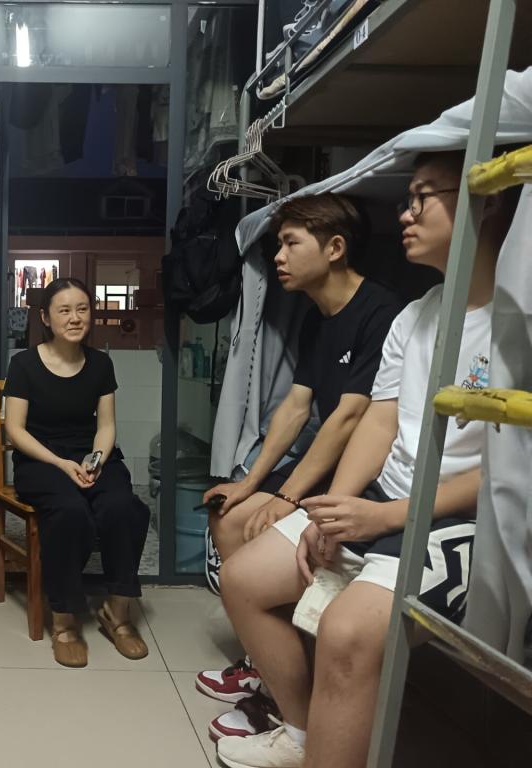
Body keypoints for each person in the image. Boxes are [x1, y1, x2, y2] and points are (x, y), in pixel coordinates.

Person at [215, 151, 518, 768]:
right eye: (407, 199)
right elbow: (379, 421)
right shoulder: (417, 315)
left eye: (423, 197)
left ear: (487, 200)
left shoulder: (517, 327)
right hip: (384, 496)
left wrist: (375, 516)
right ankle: (300, 733)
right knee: (243, 578)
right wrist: (334, 509)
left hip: (458, 516)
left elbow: (509, 470)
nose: (406, 213)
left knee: (346, 630)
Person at [196, 194, 400, 735]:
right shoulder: (317, 318)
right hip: (326, 464)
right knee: (226, 514)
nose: (279, 257)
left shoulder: (381, 312)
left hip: (368, 473)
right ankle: (266, 659)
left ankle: (288, 695)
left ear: (335, 248)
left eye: (290, 243)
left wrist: (287, 500)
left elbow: (350, 417)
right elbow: (296, 405)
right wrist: (250, 483)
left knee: (256, 532)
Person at [3, 277, 151, 668]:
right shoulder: (24, 364)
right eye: (64, 310)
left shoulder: (101, 363)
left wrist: (96, 460)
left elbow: (106, 425)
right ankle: (65, 620)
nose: (75, 318)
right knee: (70, 513)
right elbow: (15, 430)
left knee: (125, 509)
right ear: (45, 317)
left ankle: (117, 613)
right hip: (41, 461)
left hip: (91, 458)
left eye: (82, 309)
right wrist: (60, 463)